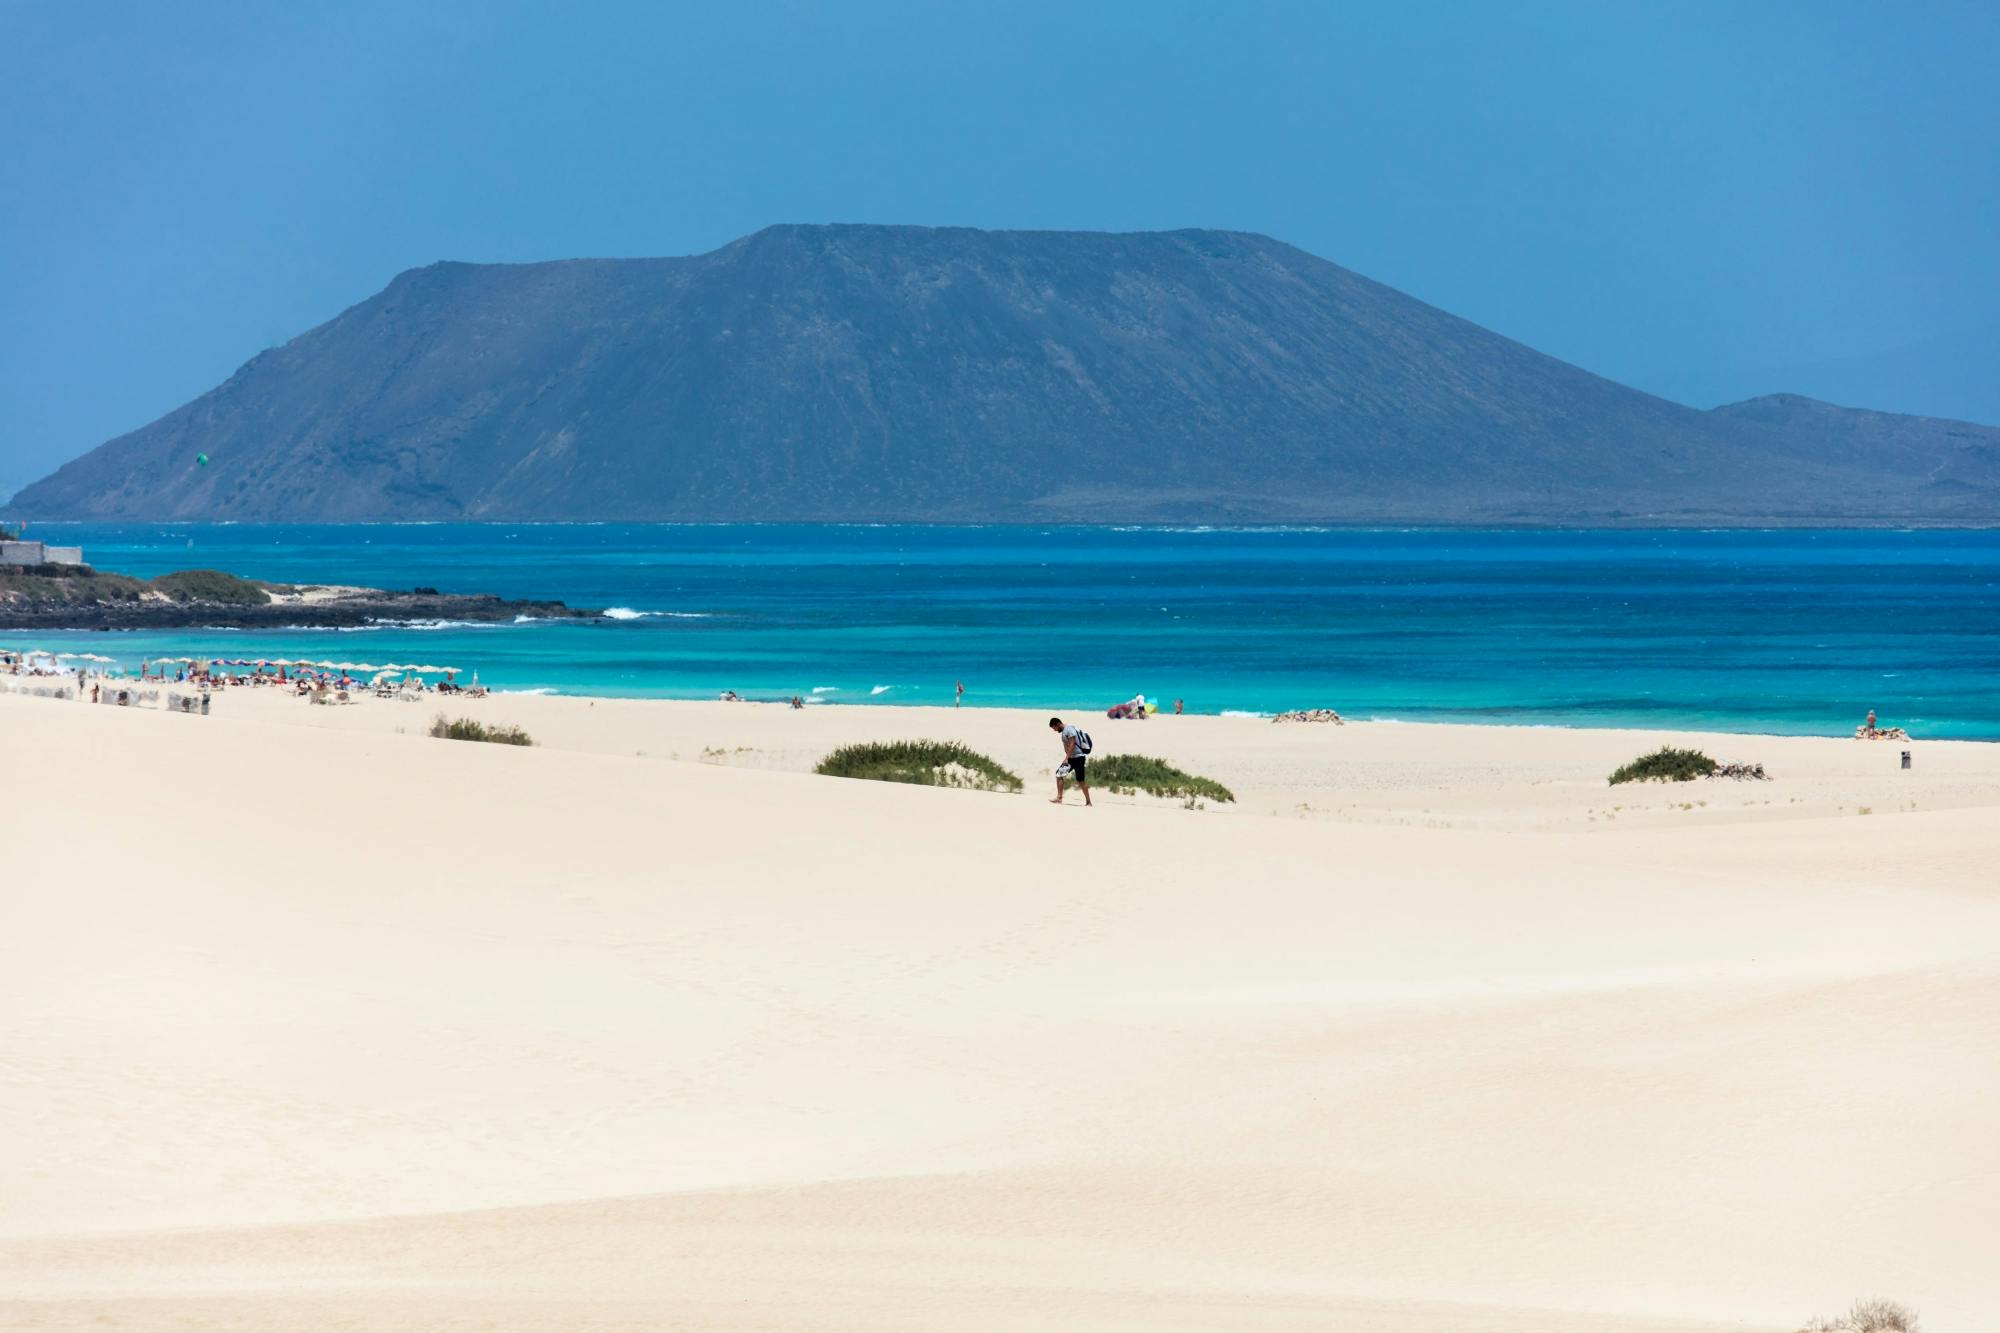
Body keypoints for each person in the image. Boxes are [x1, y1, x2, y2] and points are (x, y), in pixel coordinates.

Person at [1048, 715, 1093, 807]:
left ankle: (1089, 802)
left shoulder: (1069, 729)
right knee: (1059, 774)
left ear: (1058, 724)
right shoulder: (1065, 731)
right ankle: (1059, 798)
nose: (1054, 730)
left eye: (1054, 728)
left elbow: (1072, 744)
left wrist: (1066, 757)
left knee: (1081, 781)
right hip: (1071, 759)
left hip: (1078, 758)